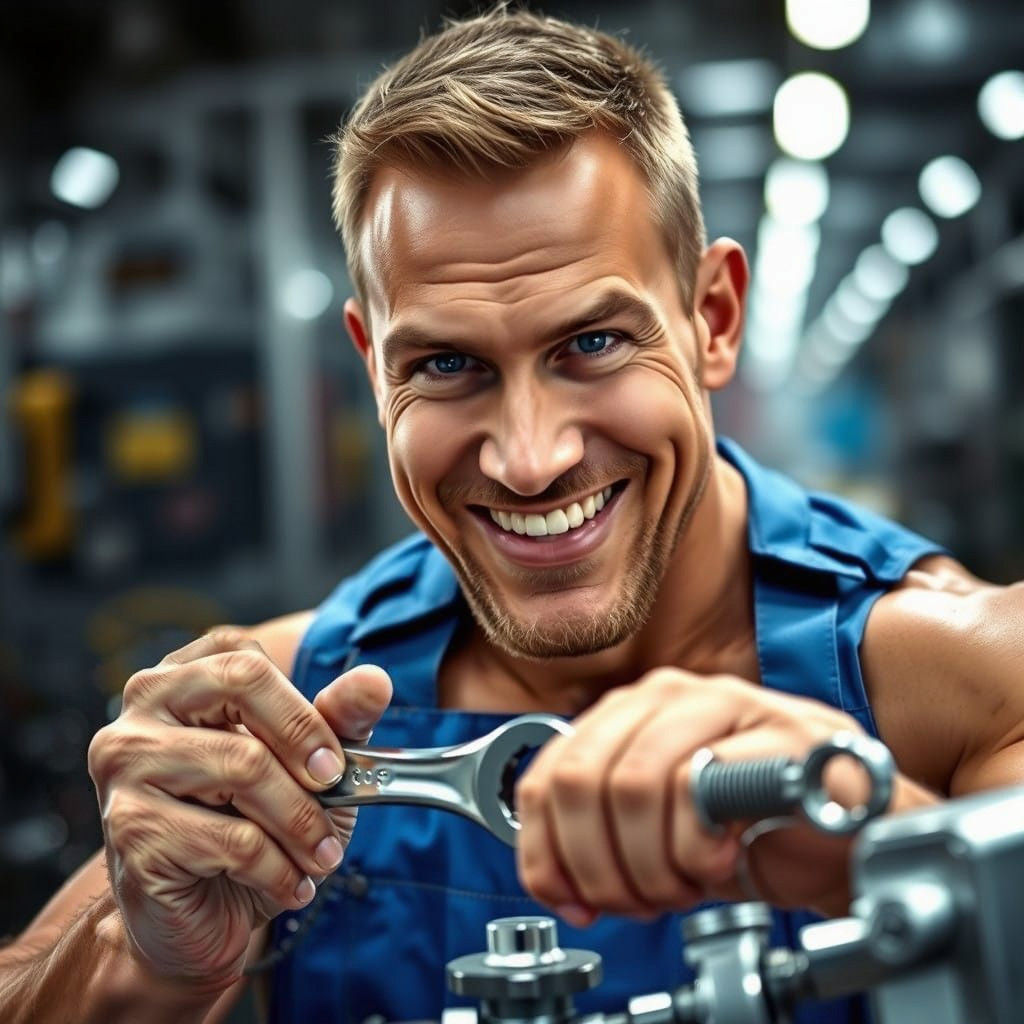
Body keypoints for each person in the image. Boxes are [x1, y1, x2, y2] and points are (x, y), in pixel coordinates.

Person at [2, 7, 1022, 1023]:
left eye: (592, 344)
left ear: (711, 317)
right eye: (447, 365)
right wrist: (149, 971)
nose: (530, 459)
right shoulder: (286, 718)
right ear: (373, 366)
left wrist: (887, 846)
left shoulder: (960, 681)